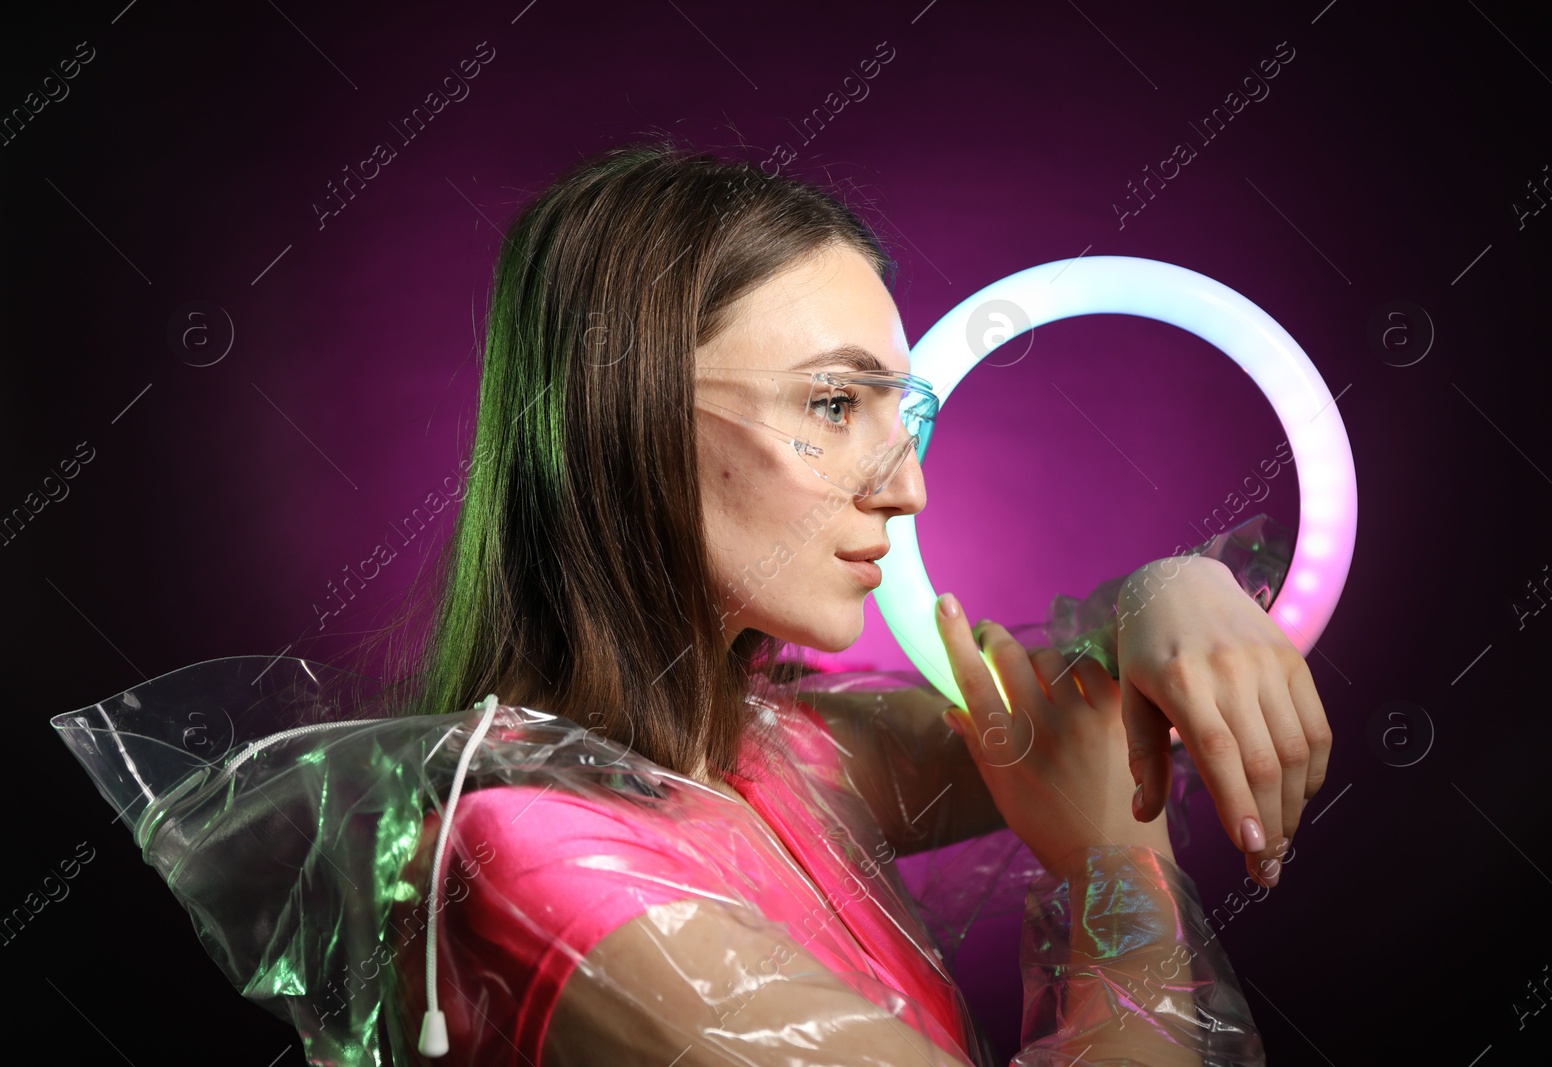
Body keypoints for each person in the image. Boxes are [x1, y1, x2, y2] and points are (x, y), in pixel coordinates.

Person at [367, 137, 1329, 1065]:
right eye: (834, 404)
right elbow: (1095, 769)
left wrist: (1169, 590)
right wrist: (1123, 863)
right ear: (626, 409)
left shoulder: (775, 748)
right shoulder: (536, 864)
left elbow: (1079, 718)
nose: (907, 488)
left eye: (899, 413)